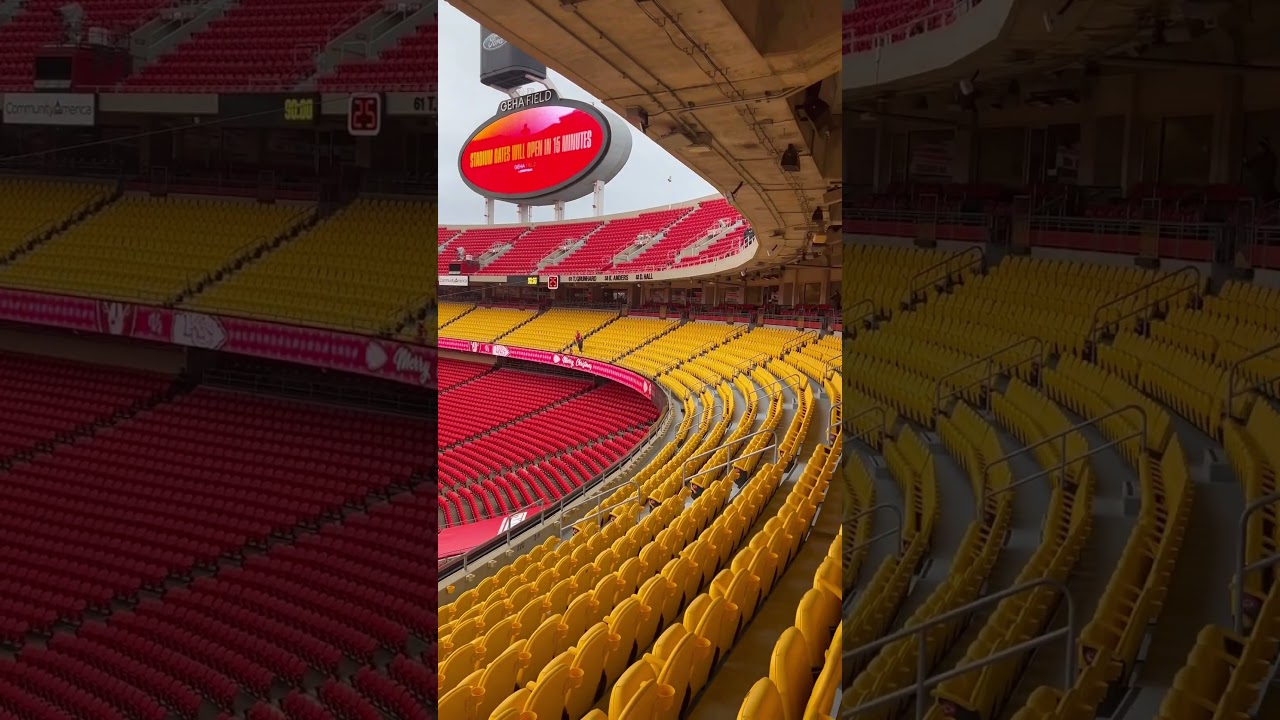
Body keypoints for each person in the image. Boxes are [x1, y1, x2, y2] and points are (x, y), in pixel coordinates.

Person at [1244, 139, 1278, 204]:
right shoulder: (1257, 157)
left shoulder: (1270, 157)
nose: (1258, 148)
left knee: (1261, 197)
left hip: (1263, 183)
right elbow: (1249, 165)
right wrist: (1245, 161)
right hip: (1256, 182)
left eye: (1260, 147)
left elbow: (1270, 171)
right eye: (1258, 147)